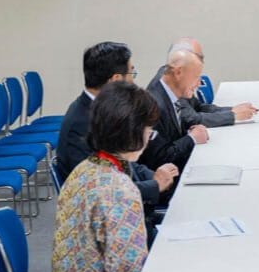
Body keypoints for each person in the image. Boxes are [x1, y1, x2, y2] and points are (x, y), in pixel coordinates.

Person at [52, 81, 158, 272]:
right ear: (133, 132)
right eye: (149, 130)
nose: (150, 137)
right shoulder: (119, 190)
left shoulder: (84, 169)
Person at [56, 42, 178, 234]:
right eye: (131, 73)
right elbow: (102, 192)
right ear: (115, 80)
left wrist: (155, 176)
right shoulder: (81, 124)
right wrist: (155, 185)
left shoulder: (101, 110)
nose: (134, 81)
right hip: (109, 223)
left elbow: (126, 163)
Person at [148, 37, 258, 127]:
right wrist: (232, 115)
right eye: (199, 56)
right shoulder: (170, 84)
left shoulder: (177, 77)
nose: (201, 61)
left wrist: (232, 110)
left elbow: (198, 107)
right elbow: (191, 119)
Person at [138, 48, 208, 173]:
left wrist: (189, 132)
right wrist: (192, 138)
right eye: (196, 77)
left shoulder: (173, 93)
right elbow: (158, 158)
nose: (199, 83)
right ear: (178, 73)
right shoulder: (154, 105)